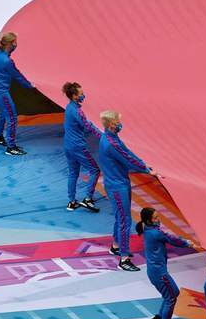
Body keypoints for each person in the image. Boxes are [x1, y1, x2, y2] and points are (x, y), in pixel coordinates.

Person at [96, 109, 155, 272]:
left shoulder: (109, 137)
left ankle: (115, 245)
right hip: (117, 186)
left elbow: (127, 152)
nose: (119, 124)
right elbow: (127, 158)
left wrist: (143, 164)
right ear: (110, 124)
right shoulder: (111, 143)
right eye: (116, 122)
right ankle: (124, 258)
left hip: (118, 182)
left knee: (120, 217)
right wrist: (146, 169)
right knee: (125, 220)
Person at [135, 207, 194, 319]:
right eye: (155, 218)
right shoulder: (156, 233)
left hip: (154, 271)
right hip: (159, 272)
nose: (158, 219)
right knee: (171, 297)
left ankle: (159, 318)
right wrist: (188, 243)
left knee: (173, 293)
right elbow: (173, 239)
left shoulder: (147, 229)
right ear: (149, 220)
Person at [0, 32, 33, 156]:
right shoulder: (7, 61)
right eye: (14, 42)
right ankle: (11, 147)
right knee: (12, 117)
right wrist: (30, 85)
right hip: (1, 92)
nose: (16, 44)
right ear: (9, 44)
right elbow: (17, 75)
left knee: (3, 111)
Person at [61, 82, 101, 212]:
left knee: (73, 173)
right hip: (78, 147)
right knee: (95, 170)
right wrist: (103, 136)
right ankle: (88, 199)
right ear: (74, 96)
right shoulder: (77, 111)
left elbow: (82, 127)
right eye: (81, 94)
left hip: (68, 146)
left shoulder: (68, 107)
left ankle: (71, 202)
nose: (83, 95)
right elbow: (88, 126)